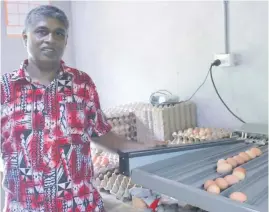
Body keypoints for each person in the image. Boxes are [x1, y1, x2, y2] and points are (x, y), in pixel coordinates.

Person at [0, 5, 131, 212]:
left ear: (65, 41)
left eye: (58, 33)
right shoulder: (4, 89)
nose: (50, 39)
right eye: (42, 31)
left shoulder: (82, 84)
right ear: (25, 37)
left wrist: (147, 148)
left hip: (81, 206)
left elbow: (101, 134)